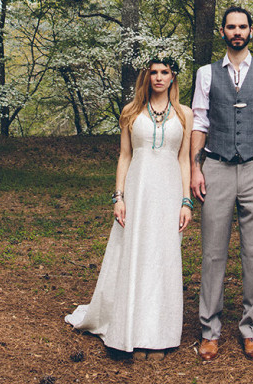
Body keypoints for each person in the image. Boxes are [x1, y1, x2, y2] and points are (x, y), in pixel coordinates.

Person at [65, 58, 193, 358]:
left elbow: (184, 160)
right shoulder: (131, 112)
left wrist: (186, 201)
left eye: (165, 73)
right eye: (153, 73)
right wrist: (119, 196)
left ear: (173, 77)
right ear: (146, 77)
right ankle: (131, 330)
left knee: (163, 258)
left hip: (169, 192)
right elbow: (124, 156)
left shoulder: (185, 114)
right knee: (135, 254)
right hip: (138, 190)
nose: (159, 78)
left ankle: (159, 335)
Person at [190, 5, 253, 362]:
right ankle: (209, 331)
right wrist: (194, 168)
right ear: (222, 32)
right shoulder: (205, 74)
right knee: (213, 252)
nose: (236, 32)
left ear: (251, 32)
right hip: (215, 167)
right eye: (230, 27)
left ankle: (251, 329)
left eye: (242, 26)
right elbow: (199, 122)